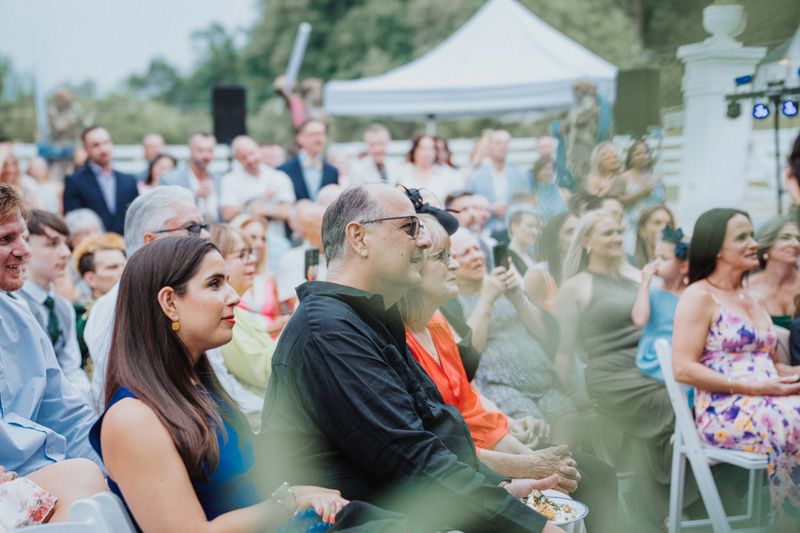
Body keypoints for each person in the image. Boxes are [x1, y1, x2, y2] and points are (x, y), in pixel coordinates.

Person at [258, 184, 563, 532]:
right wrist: (528, 524)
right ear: (358, 238)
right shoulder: (328, 330)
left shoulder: (368, 318)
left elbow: (433, 427)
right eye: (409, 227)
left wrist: (499, 487)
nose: (422, 241)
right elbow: (410, 457)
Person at [91, 237, 348, 531]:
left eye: (226, 281)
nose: (234, 296)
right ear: (170, 302)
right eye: (214, 284)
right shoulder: (132, 418)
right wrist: (291, 501)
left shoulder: (195, 384)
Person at [401, 214, 618, 533]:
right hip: (476, 473)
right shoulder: (403, 341)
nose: (459, 264)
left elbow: (472, 400)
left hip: (508, 431)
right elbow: (441, 446)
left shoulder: (435, 325)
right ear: (412, 268)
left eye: (466, 252)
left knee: (583, 478)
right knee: (571, 492)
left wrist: (536, 459)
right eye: (446, 256)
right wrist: (530, 464)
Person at [84, 186, 262, 422]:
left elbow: (219, 385)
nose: (207, 236)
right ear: (151, 241)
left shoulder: (194, 299)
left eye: (204, 226)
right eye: (192, 228)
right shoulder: (115, 308)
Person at [672, 208, 800, 530]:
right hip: (723, 407)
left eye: (751, 235)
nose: (753, 243)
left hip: (767, 397)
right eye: (741, 237)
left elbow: (767, 364)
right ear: (717, 248)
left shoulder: (750, 296)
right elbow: (683, 369)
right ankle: (787, 519)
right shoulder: (698, 296)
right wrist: (754, 388)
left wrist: (789, 374)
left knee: (788, 411)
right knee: (787, 416)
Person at [553, 209, 673, 530]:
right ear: (587, 241)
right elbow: (564, 351)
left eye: (619, 231)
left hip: (652, 368)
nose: (617, 238)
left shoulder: (638, 276)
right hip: (612, 377)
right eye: (608, 233)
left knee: (680, 403)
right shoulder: (575, 287)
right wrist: (574, 397)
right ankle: (668, 507)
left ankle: (658, 509)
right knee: (673, 406)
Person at [0, 184, 104, 491]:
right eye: (6, 239)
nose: (25, 250)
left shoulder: (20, 317)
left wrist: (121, 451)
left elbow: (66, 413)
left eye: (24, 236)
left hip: (44, 477)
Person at [451, 229, 573, 430]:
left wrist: (518, 297)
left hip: (545, 380)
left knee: (570, 427)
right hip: (501, 390)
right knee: (536, 434)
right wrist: (487, 299)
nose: (475, 256)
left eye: (476, 249)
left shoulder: (506, 287)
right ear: (451, 262)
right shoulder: (452, 303)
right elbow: (470, 352)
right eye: (465, 253)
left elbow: (543, 334)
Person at [16, 210, 92, 402]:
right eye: (52, 244)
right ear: (25, 243)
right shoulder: (14, 306)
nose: (66, 253)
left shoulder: (62, 307)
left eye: (66, 244)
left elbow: (71, 367)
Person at [212, 224, 278, 401]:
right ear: (217, 262)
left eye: (251, 253)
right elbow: (267, 372)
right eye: (242, 255)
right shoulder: (221, 316)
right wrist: (299, 319)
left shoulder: (239, 311)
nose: (252, 260)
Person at [631, 227, 689, 382]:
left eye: (664, 258)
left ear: (684, 266)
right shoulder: (651, 291)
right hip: (657, 355)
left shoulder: (691, 294)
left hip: (685, 353)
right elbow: (640, 320)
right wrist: (644, 284)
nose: (656, 263)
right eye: (655, 257)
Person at [63, 126, 139, 235]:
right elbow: (73, 222)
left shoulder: (129, 181)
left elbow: (136, 218)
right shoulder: (74, 181)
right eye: (96, 145)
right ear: (85, 149)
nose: (103, 149)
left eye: (106, 142)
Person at [72, 232, 127, 369]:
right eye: (113, 267)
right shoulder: (79, 320)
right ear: (91, 279)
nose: (123, 272)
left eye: (124, 265)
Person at [231, 214, 290, 336]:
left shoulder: (269, 279)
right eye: (253, 237)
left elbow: (278, 316)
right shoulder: (227, 280)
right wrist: (270, 329)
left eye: (263, 239)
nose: (259, 244)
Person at [466, 130, 530, 234]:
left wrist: (511, 211)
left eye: (506, 143)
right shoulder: (475, 176)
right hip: (485, 232)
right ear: (490, 147)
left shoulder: (520, 175)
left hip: (515, 232)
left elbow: (527, 202)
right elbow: (469, 205)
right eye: (498, 143)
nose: (503, 146)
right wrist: (490, 209)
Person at [747, 217, 800, 330]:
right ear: (767, 247)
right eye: (786, 238)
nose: (795, 243)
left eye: (798, 239)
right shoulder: (747, 287)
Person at [159, 132, 222, 222]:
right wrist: (194, 196)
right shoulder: (169, 179)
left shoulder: (219, 179)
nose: (206, 156)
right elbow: (164, 213)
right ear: (190, 150)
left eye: (210, 151)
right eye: (200, 150)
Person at [276, 201, 327, 307]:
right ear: (304, 232)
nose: (327, 230)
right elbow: (294, 301)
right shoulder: (292, 259)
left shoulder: (342, 253)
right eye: (320, 226)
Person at [278, 119, 339, 201]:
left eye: (322, 134)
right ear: (299, 138)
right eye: (314, 134)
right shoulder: (283, 171)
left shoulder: (333, 172)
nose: (319, 139)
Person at [399, 133, 464, 206]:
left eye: (431, 149)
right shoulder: (401, 172)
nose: (427, 153)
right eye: (422, 148)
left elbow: (459, 200)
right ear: (414, 150)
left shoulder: (450, 174)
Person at [620, 140, 665, 212]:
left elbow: (662, 203)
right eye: (638, 154)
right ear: (630, 159)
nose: (643, 156)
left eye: (646, 153)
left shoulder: (657, 178)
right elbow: (619, 202)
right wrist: (640, 194)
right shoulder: (624, 177)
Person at [530, 155, 568, 222]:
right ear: (537, 173)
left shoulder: (564, 193)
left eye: (552, 169)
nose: (550, 172)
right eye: (545, 169)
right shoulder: (531, 197)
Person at [506, 204, 541, 275]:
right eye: (530, 226)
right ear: (514, 227)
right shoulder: (506, 260)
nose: (535, 232)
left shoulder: (531, 259)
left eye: (537, 227)